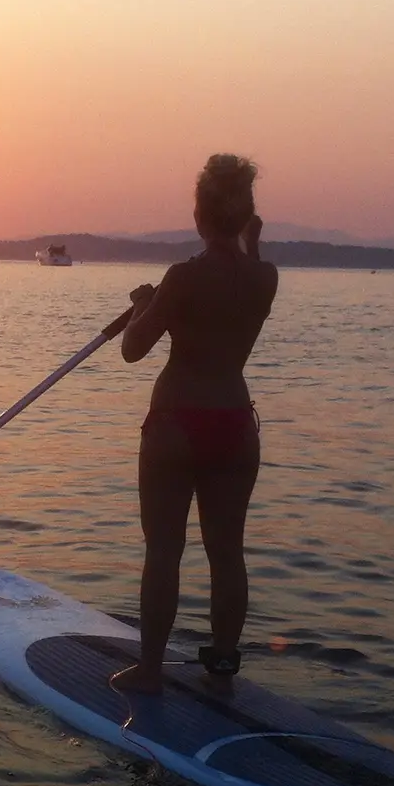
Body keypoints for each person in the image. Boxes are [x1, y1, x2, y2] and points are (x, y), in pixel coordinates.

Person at [110, 154, 277, 695]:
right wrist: (249, 240)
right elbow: (245, 262)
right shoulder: (265, 278)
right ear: (245, 214)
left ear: (200, 216)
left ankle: (151, 670)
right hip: (234, 423)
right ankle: (224, 661)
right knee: (227, 551)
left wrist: (145, 305)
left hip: (177, 423)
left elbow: (134, 350)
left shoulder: (181, 278)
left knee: (164, 549)